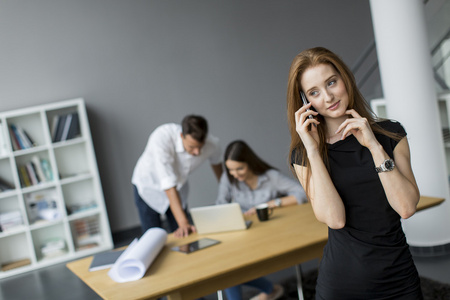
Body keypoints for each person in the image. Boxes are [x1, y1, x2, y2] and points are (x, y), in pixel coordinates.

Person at [287, 47, 423, 299]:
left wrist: (374, 146)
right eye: (314, 92)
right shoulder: (304, 155)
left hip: (399, 279)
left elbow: (406, 207)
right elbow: (335, 219)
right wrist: (314, 151)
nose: (327, 97)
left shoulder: (391, 134)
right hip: (342, 283)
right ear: (306, 102)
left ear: (344, 78)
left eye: (331, 82)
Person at [216, 140, 307, 300]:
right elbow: (220, 206)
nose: (235, 174)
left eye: (240, 168)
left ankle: (270, 289)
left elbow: (303, 194)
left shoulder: (271, 177)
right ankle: (271, 289)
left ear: (250, 163)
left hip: (271, 237)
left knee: (230, 272)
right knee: (227, 270)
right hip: (244, 236)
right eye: (231, 170)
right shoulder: (228, 178)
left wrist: (271, 204)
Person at [132, 115, 222, 238]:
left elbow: (219, 169)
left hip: (178, 189)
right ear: (181, 136)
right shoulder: (162, 137)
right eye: (192, 147)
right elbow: (168, 184)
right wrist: (183, 223)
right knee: (153, 237)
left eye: (200, 147)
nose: (197, 152)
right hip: (148, 187)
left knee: (185, 234)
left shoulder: (212, 144)